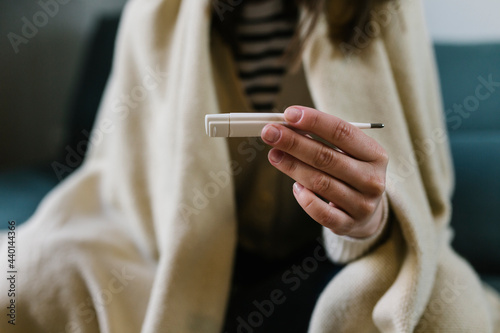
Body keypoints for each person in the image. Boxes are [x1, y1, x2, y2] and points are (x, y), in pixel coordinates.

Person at [1, 0, 499, 332]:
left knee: (443, 312)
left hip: (329, 259)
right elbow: (129, 179)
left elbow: (416, 179)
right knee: (20, 276)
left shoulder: (387, 10)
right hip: (170, 246)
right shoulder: (155, 14)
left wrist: (368, 220)